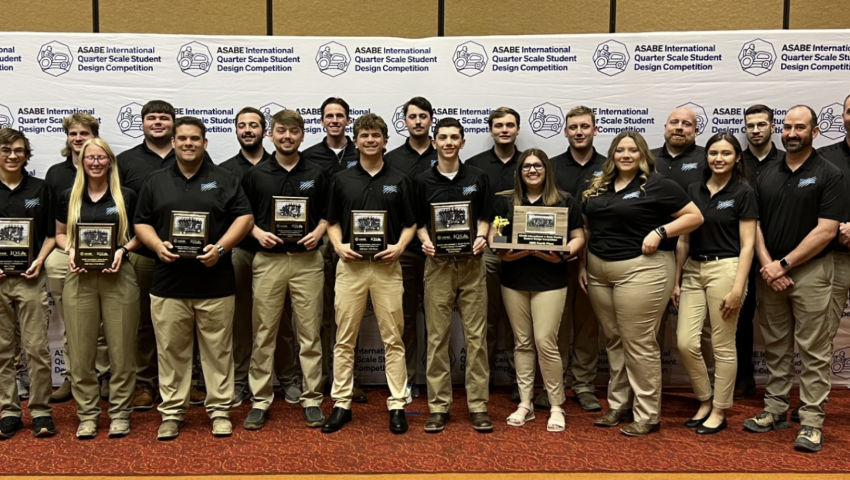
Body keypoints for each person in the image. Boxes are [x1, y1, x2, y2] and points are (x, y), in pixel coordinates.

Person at [134, 116, 253, 440]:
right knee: (171, 352)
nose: (189, 143)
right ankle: (173, 413)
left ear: (205, 143)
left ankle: (220, 411)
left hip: (215, 282)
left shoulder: (225, 178)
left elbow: (244, 217)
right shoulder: (155, 181)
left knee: (218, 352)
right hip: (168, 283)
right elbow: (141, 221)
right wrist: (157, 246)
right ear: (173, 142)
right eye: (183, 138)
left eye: (195, 139)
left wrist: (222, 248)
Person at [581, 130, 703, 436]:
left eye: (632, 150)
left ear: (643, 155)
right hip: (599, 270)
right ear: (612, 154)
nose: (625, 155)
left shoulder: (658, 184)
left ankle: (648, 414)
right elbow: (588, 227)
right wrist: (583, 264)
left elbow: (695, 217)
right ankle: (619, 405)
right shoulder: (599, 185)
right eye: (620, 150)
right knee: (614, 339)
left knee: (639, 341)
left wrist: (660, 232)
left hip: (642, 269)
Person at [743, 105, 843, 453]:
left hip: (811, 272)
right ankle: (775, 410)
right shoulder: (766, 172)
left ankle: (812, 421)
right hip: (770, 274)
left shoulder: (829, 173)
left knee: (814, 351)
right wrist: (769, 266)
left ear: (814, 132)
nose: (791, 133)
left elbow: (826, 230)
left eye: (800, 127)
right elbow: (753, 224)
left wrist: (784, 264)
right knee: (775, 347)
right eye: (787, 127)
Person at [322, 113, 416, 434]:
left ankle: (397, 404)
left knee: (394, 338)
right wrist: (338, 246)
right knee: (344, 338)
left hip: (387, 267)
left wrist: (400, 247)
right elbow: (332, 221)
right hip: (351, 267)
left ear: (385, 141)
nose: (370, 140)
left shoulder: (400, 180)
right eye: (364, 135)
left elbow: (410, 224)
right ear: (356, 142)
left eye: (376, 135)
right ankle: (341, 403)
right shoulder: (341, 179)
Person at [240, 109, 329, 429]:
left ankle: (312, 398)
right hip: (269, 262)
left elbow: (328, 214)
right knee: (264, 333)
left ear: (302, 135)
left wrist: (319, 232)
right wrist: (256, 233)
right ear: (271, 135)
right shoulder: (256, 175)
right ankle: (260, 400)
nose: (287, 137)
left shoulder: (318, 173)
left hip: (308, 262)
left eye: (293, 131)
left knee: (310, 334)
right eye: (281, 131)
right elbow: (243, 215)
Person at [490, 149, 586, 433]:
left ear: (547, 169)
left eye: (538, 166)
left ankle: (556, 405)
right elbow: (495, 237)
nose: (532, 170)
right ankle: (525, 403)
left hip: (551, 280)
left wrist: (564, 253)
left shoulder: (565, 200)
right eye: (526, 166)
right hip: (514, 280)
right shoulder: (505, 202)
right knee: (522, 343)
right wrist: (507, 251)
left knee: (546, 342)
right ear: (519, 172)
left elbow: (578, 237)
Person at [672, 133, 757, 435]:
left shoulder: (743, 192)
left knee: (722, 345)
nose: (719, 159)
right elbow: (683, 239)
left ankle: (720, 409)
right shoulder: (693, 189)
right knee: (685, 342)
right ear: (706, 156)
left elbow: (748, 246)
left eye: (726, 153)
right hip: (693, 269)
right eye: (713, 153)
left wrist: (738, 288)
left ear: (737, 158)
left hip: (727, 269)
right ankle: (704, 400)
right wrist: (676, 280)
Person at [56, 138, 141, 438]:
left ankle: (120, 413)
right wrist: (71, 250)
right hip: (79, 277)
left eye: (101, 157)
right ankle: (88, 414)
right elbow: (59, 233)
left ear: (110, 161)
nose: (95, 162)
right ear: (81, 161)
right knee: (80, 353)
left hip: (119, 275)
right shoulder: (69, 196)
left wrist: (123, 250)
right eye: (89, 157)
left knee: (122, 352)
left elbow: (140, 234)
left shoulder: (126, 195)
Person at [219, 107, 300, 408]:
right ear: (236, 130)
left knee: (282, 320)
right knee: (241, 320)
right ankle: (241, 381)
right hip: (241, 252)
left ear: (265, 132)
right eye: (242, 125)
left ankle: (288, 378)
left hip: (278, 254)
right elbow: (225, 214)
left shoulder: (281, 162)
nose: (247, 130)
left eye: (253, 125)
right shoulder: (225, 170)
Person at [415, 117, 491, 432]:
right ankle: (438, 406)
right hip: (438, 266)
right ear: (434, 142)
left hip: (472, 263)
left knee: (476, 338)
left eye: (454, 137)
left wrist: (482, 236)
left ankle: (478, 405)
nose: (448, 142)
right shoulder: (421, 180)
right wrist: (425, 241)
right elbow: (418, 222)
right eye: (443, 137)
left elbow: (485, 216)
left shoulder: (478, 176)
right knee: (436, 338)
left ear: (462, 142)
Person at [542, 105, 606, 412]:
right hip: (555, 258)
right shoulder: (551, 167)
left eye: (585, 126)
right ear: (565, 131)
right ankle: (553, 386)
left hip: (595, 257)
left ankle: (583, 385)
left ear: (595, 130)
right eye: (573, 127)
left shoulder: (609, 167)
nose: (579, 132)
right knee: (555, 325)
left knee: (587, 325)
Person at [302, 97, 365, 402]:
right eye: (329, 116)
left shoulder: (362, 151)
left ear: (348, 120)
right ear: (322, 121)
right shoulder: (309, 156)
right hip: (319, 238)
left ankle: (351, 379)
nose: (335, 120)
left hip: (354, 239)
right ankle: (324, 377)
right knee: (322, 312)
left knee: (350, 313)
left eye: (340, 115)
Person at [44, 113, 110, 404]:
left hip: (105, 251)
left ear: (95, 136)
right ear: (67, 138)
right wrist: (69, 249)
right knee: (72, 319)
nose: (79, 138)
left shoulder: (107, 167)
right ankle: (73, 375)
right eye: (73, 134)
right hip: (65, 250)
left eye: (85, 133)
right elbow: (53, 223)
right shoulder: (56, 174)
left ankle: (104, 375)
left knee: (104, 321)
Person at [0, 128, 57, 439]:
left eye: (19, 150)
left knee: (36, 348)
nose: (12, 156)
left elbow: (51, 234)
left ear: (26, 155)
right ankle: (8, 412)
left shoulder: (40, 188)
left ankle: (40, 411)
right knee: (2, 350)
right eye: (6, 150)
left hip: (31, 277)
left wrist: (40, 260)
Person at [466, 107, 522, 400]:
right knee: (484, 320)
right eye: (499, 125)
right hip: (486, 251)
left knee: (517, 322)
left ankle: (519, 380)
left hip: (522, 252)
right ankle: (481, 381)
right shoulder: (474, 166)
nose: (504, 130)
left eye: (510, 125)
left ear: (517, 129)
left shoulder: (529, 163)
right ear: (490, 130)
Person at [386, 96, 438, 402]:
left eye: (423, 116)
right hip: (403, 250)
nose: (418, 121)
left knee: (436, 319)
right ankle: (405, 380)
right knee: (403, 318)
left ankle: (435, 380)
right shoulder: (392, 159)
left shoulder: (445, 153)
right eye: (412, 117)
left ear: (431, 119)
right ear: (404, 121)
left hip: (438, 250)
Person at [735, 104, 785, 400]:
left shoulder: (787, 161)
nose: (755, 130)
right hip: (740, 252)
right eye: (750, 125)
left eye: (761, 124)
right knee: (741, 319)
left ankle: (782, 386)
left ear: (772, 127)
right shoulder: (736, 161)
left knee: (780, 322)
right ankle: (744, 377)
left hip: (778, 254)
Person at [817, 93, 850, 424]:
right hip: (835, 259)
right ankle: (815, 403)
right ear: (843, 117)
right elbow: (808, 204)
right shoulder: (824, 159)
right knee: (823, 334)